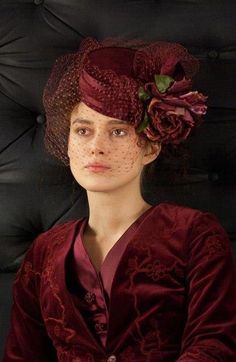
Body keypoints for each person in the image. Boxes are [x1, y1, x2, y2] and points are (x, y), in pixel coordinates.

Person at [3, 38, 236, 362]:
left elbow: (215, 345)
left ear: (151, 147)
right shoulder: (43, 253)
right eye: (83, 130)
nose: (96, 146)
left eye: (119, 131)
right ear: (67, 142)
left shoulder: (194, 235)